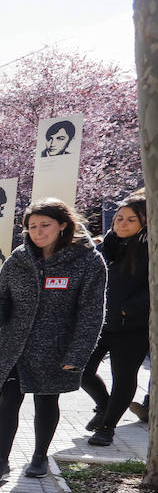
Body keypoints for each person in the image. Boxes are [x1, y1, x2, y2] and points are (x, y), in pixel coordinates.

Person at [0, 198, 106, 481]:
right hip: (14, 345)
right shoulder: (19, 259)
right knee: (8, 399)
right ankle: (1, 461)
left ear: (63, 225)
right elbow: (1, 299)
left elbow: (91, 312)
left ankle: (39, 457)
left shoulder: (87, 260)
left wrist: (77, 356)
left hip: (55, 347)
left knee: (46, 402)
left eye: (45, 225)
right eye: (32, 226)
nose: (37, 232)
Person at [81, 190, 148, 446]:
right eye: (119, 218)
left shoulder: (149, 249)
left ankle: (107, 427)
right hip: (98, 323)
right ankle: (104, 405)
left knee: (123, 376)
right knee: (80, 371)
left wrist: (125, 309)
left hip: (132, 326)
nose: (121, 223)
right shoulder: (105, 247)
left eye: (131, 220)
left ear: (144, 222)